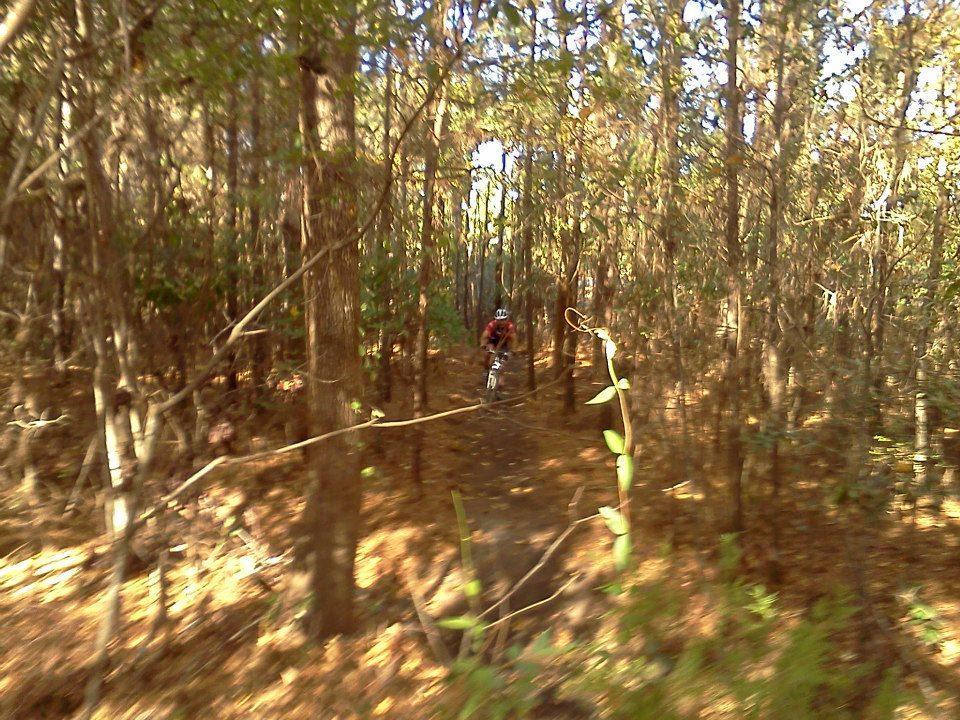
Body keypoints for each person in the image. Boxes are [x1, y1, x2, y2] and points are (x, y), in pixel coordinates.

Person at [480, 308, 517, 381]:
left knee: (503, 362)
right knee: (488, 354)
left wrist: (513, 350)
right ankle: (486, 370)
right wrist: (483, 344)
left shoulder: (510, 326)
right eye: (499, 320)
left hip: (504, 344)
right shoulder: (492, 324)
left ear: (506, 319)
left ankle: (499, 377)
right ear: (496, 320)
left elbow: (514, 339)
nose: (501, 322)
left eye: (503, 320)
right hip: (493, 342)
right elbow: (484, 335)